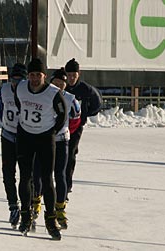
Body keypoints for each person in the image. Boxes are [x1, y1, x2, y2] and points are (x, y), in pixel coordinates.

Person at [13, 58, 66, 240]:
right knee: (25, 176)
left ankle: (51, 220)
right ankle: (26, 216)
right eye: (32, 75)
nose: (35, 79)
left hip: (45, 138)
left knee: (46, 178)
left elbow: (62, 114)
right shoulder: (20, 87)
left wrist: (51, 131)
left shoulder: (53, 93)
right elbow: (19, 103)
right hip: (26, 136)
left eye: (39, 75)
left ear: (45, 76)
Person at [32, 67, 81, 230]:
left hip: (61, 140)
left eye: (62, 84)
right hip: (43, 139)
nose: (59, 86)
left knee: (60, 174)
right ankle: (36, 203)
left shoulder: (70, 99)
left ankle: (60, 208)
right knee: (38, 173)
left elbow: (75, 119)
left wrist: (63, 131)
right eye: (56, 83)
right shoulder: (43, 93)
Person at [64, 58, 103, 196]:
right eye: (69, 75)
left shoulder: (85, 89)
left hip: (76, 128)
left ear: (78, 74)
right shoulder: (62, 86)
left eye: (74, 75)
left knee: (70, 155)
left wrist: (85, 114)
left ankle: (66, 186)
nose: (71, 78)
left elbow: (97, 103)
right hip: (61, 127)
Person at [0, 62, 27, 229]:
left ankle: (27, 208)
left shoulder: (30, 91)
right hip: (8, 135)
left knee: (26, 175)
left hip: (26, 138)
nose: (16, 83)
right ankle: (13, 206)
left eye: (20, 80)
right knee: (8, 173)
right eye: (13, 79)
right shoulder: (5, 89)